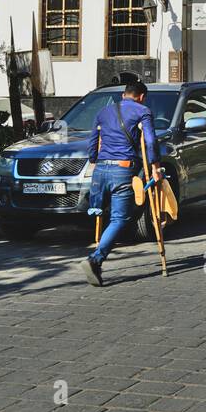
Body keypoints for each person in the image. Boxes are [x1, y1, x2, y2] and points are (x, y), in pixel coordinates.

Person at [78, 80, 163, 286]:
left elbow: (93, 140)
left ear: (124, 94)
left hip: (100, 171)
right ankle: (95, 259)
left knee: (101, 212)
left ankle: (98, 253)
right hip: (123, 170)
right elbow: (151, 141)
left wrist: (93, 159)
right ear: (141, 96)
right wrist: (155, 167)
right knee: (119, 219)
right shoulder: (143, 111)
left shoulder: (103, 111)